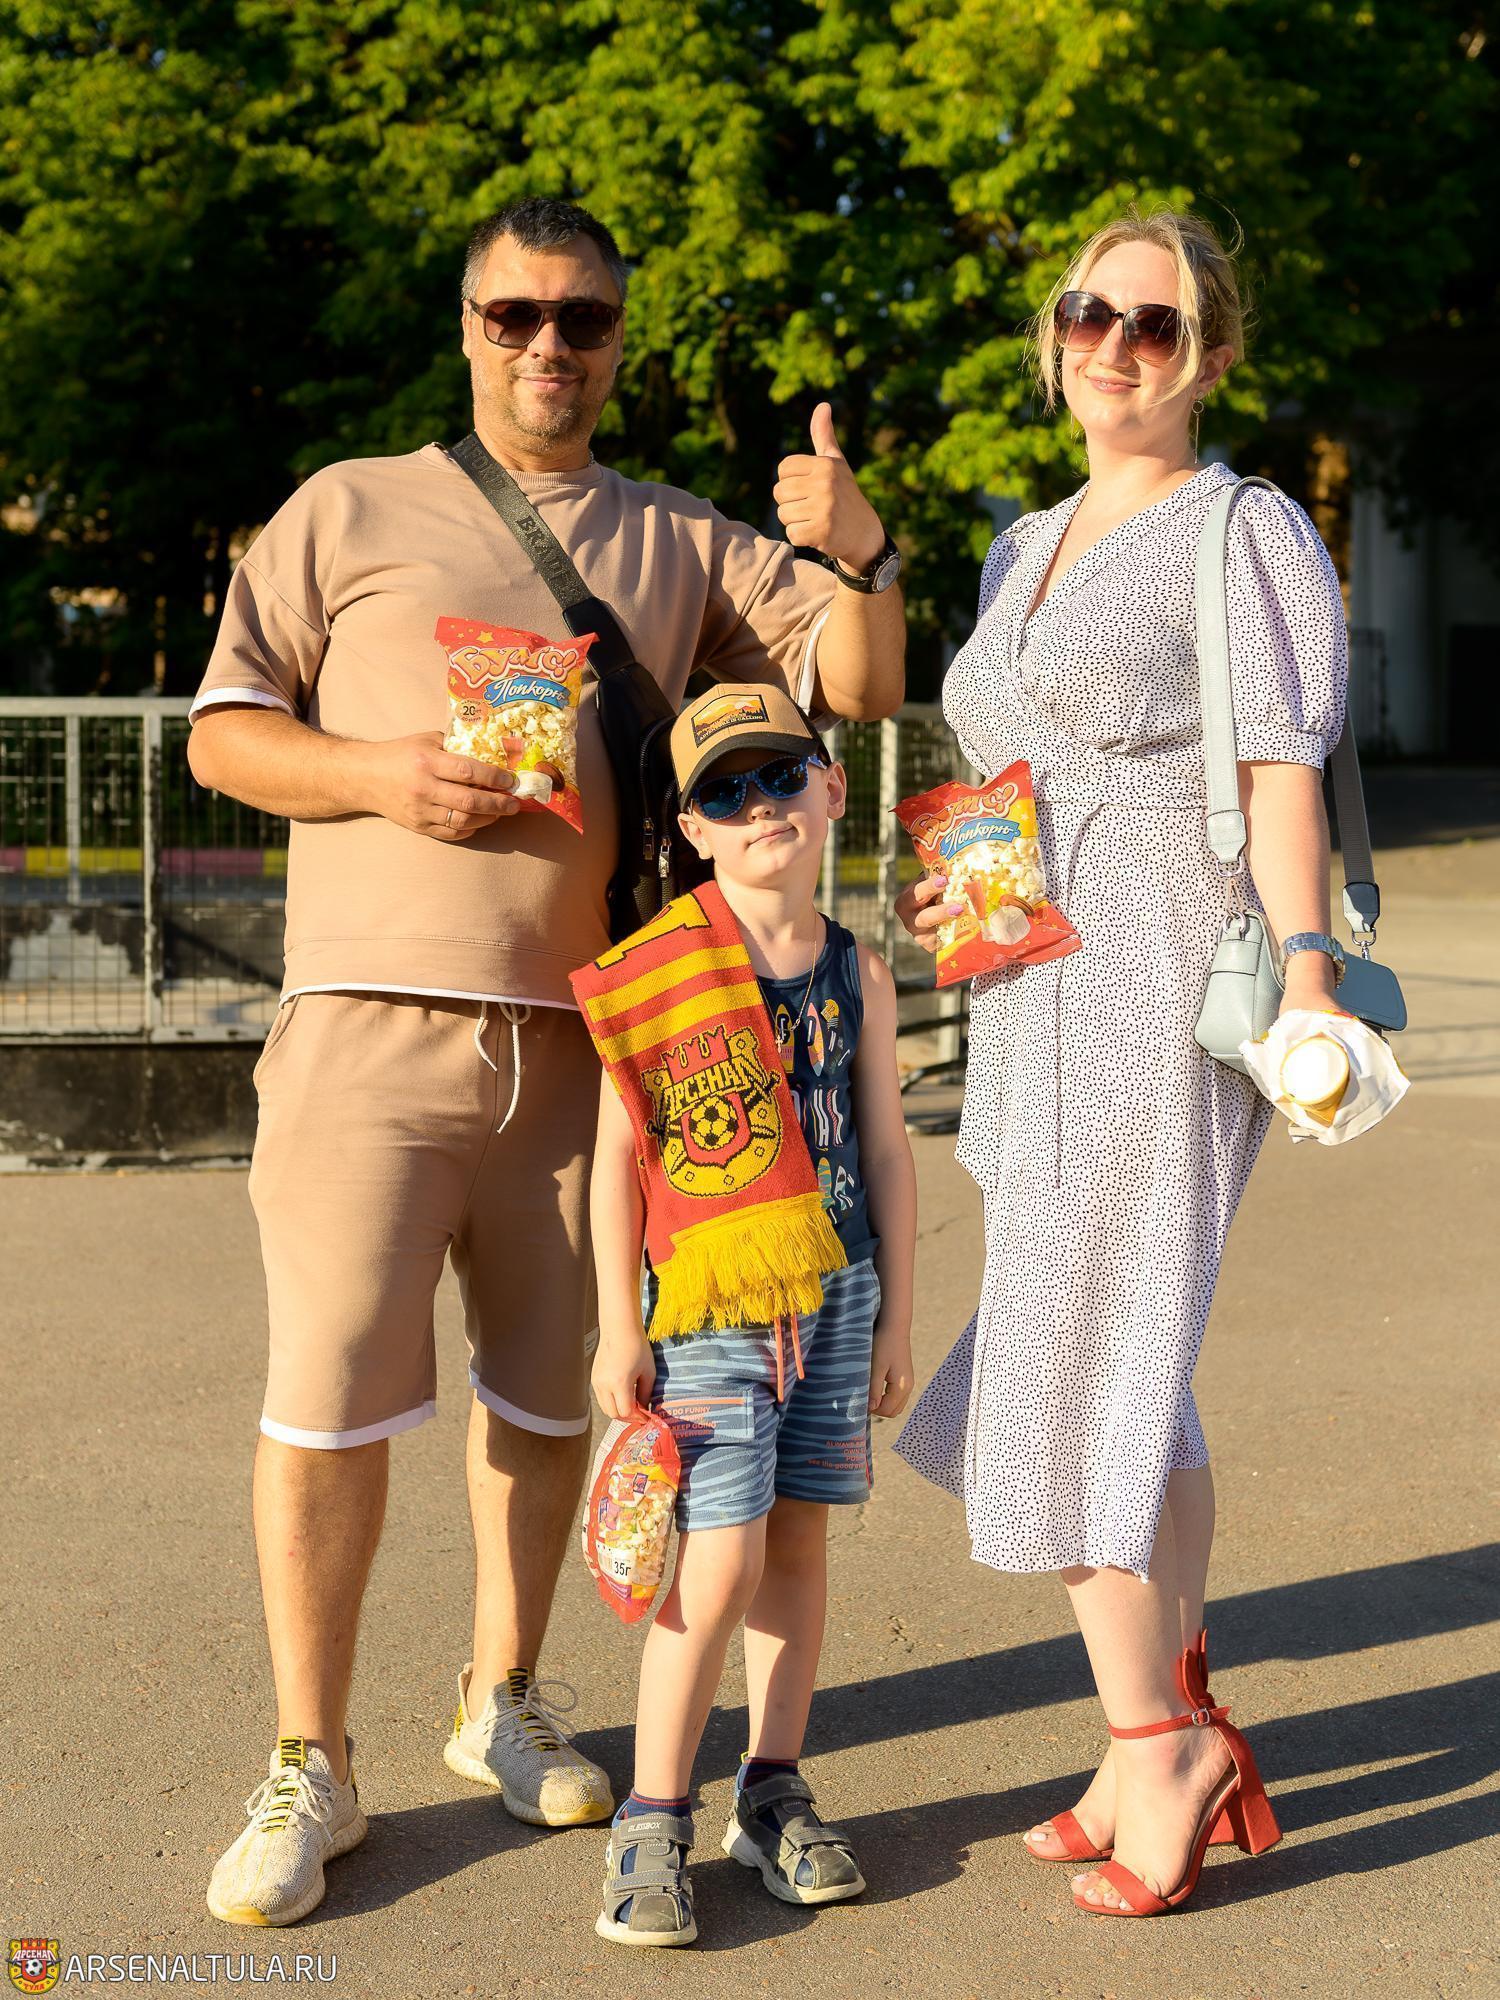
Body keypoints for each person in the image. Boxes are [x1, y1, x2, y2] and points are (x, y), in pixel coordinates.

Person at [188, 196, 905, 1928]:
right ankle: (308, 1758)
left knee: (548, 1399)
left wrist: (863, 550)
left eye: (583, 318)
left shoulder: (677, 536)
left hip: (593, 1045)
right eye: (516, 314)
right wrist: (377, 773)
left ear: (617, 340)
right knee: (328, 1399)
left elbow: (860, 687)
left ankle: (500, 1698)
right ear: (468, 326)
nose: (549, 345)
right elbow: (224, 735)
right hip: (368, 1025)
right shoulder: (347, 505)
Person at [895, 209, 1347, 1919]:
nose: (1114, 346)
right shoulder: (1024, 543)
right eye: (1089, 313)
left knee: (1077, 1352)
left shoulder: (1242, 528)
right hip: (1029, 983)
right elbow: (1014, 772)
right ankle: (1169, 1715)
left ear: (1208, 355)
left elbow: (1279, 770)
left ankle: (1158, 1747)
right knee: (1131, 1346)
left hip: (1158, 972)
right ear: (1054, 333)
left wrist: (1311, 974)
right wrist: (959, 886)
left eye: (1153, 325)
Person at [580, 682, 917, 1948]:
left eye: (781, 774)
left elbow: (887, 1148)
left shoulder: (859, 969)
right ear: (692, 828)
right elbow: (616, 1162)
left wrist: (895, 1317)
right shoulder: (664, 970)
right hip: (711, 1302)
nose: (760, 804)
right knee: (717, 1560)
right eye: (725, 791)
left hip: (837, 1292)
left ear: (831, 786)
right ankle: (651, 1812)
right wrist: (619, 1326)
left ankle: (771, 1789)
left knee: (799, 1547)